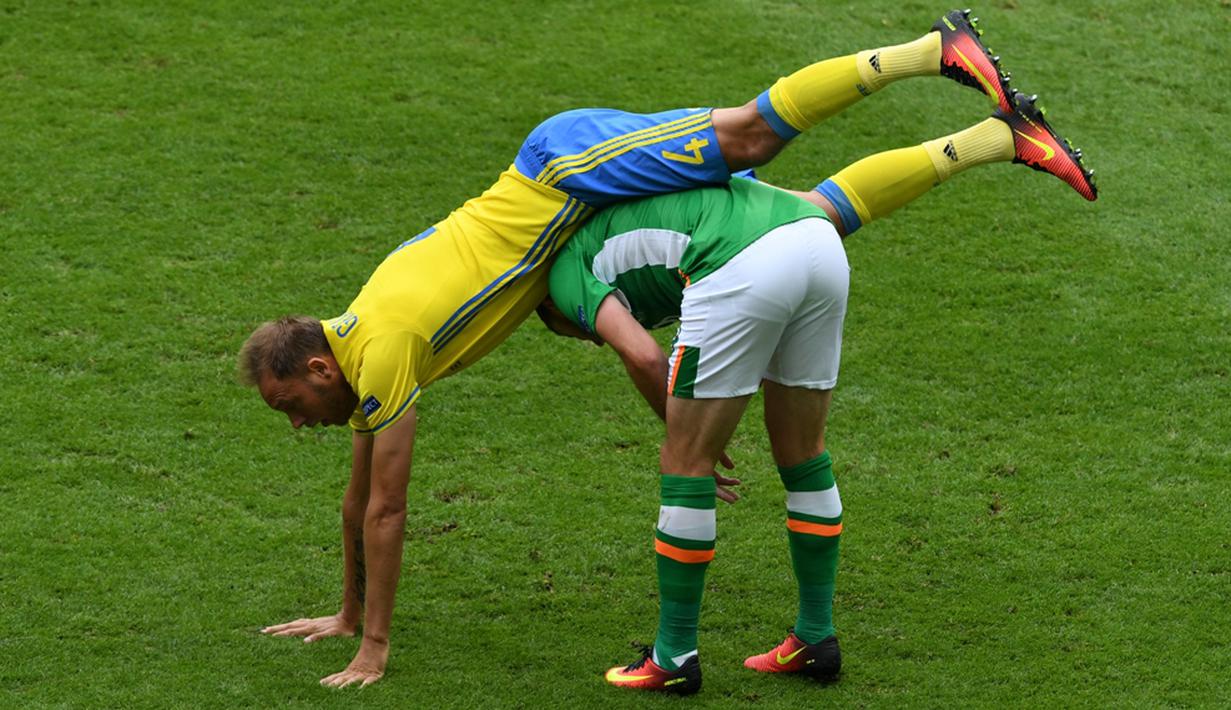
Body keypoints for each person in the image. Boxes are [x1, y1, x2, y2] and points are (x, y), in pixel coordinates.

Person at [238, 10, 1095, 689]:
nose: (297, 425)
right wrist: (345, 614)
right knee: (812, 211)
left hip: (562, 166)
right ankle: (995, 138)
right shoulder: (355, 331)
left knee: (752, 135)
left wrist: (374, 647)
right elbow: (359, 500)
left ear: (317, 369)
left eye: (292, 409)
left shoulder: (383, 349)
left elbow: (386, 510)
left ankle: (928, 50)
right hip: (651, 216)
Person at [538, 81, 1093, 693]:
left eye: (576, 334)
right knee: (803, 454)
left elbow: (642, 353)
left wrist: (684, 435)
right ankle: (813, 638)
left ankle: (672, 659)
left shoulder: (560, 275)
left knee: (685, 464)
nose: (586, 336)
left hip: (739, 263)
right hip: (816, 241)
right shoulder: (639, 200)